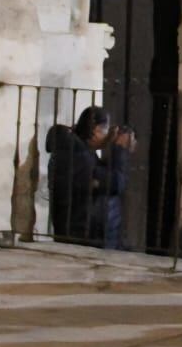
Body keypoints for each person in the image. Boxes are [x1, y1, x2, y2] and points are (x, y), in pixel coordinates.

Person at [45, 105, 131, 247]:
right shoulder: (76, 154)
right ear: (96, 131)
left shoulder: (80, 151)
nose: (109, 135)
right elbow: (115, 183)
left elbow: (101, 176)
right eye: (106, 130)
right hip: (82, 237)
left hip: (85, 235)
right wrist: (119, 150)